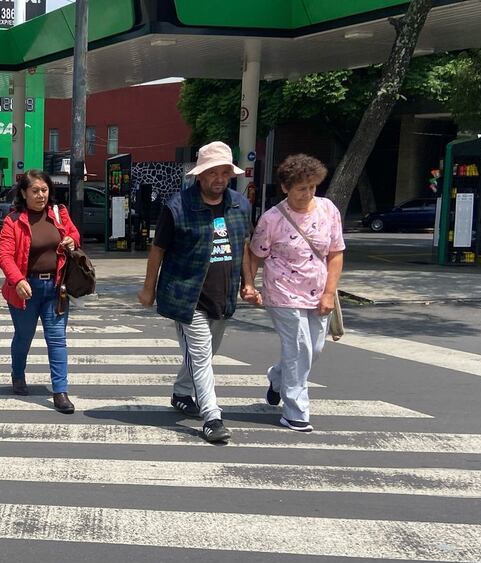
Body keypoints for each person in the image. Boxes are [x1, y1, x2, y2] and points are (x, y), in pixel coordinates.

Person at [137, 141, 251, 444]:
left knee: (207, 353)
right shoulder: (178, 206)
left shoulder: (240, 204)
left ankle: (181, 392)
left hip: (223, 295)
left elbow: (245, 247)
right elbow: (158, 249)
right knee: (201, 355)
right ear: (199, 175)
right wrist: (149, 288)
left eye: (225, 173)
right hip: (187, 296)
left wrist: (248, 283)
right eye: (213, 172)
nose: (219, 179)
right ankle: (212, 417)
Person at [241, 154, 345, 432]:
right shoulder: (272, 218)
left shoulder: (328, 210)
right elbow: (254, 255)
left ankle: (277, 378)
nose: (308, 193)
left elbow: (335, 253)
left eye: (312, 187)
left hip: (318, 291)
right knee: (300, 349)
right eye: (301, 188)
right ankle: (296, 411)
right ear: (286, 188)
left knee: (315, 349)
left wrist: (329, 292)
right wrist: (249, 284)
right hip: (283, 292)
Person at [0, 170, 81, 414]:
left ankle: (60, 391)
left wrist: (72, 240)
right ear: (24, 193)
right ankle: (18, 374)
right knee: (24, 337)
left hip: (56, 288)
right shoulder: (13, 221)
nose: (41, 195)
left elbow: (74, 234)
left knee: (57, 339)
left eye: (44, 190)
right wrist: (17, 280)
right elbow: (4, 255)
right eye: (35, 191)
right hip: (25, 289)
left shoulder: (58, 213)